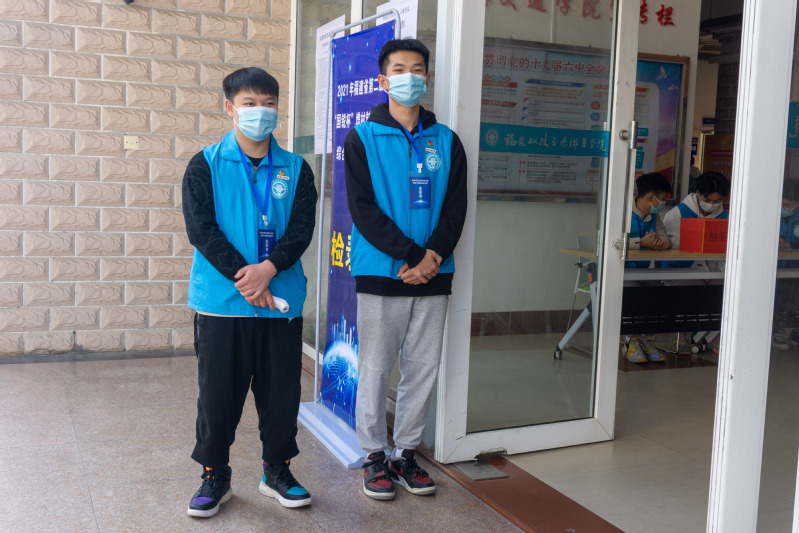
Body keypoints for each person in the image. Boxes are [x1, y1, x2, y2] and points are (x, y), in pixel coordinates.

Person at [181, 67, 318, 518]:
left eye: (269, 103)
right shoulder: (205, 164)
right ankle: (214, 475)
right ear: (230, 108)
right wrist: (247, 277)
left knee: (281, 396)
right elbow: (202, 230)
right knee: (217, 398)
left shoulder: (296, 169)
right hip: (223, 305)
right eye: (250, 103)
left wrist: (269, 270)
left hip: (280, 304)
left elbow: (301, 229)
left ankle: (276, 471)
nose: (261, 111)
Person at [344, 38, 467, 500]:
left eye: (417, 69)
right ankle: (374, 454)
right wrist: (413, 255)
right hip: (382, 272)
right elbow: (363, 209)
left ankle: (405, 453)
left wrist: (432, 256)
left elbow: (456, 207)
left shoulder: (447, 140)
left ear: (427, 79)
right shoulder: (362, 138)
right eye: (399, 70)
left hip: (434, 274)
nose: (409, 77)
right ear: (383, 79)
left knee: (422, 369)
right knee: (376, 368)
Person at [623, 172, 672, 363]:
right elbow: (613, 242)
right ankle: (631, 341)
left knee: (658, 292)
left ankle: (648, 340)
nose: (663, 203)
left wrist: (661, 243)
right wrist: (640, 243)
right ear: (651, 197)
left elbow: (665, 238)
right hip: (621, 273)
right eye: (663, 198)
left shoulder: (654, 216)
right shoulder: (622, 212)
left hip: (642, 272)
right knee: (635, 295)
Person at [772, 178, 799, 350]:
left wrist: (790, 246)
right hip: (775, 267)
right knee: (778, 298)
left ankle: (794, 329)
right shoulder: (769, 213)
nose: (785, 208)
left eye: (789, 205)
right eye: (783, 204)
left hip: (795, 266)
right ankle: (777, 330)